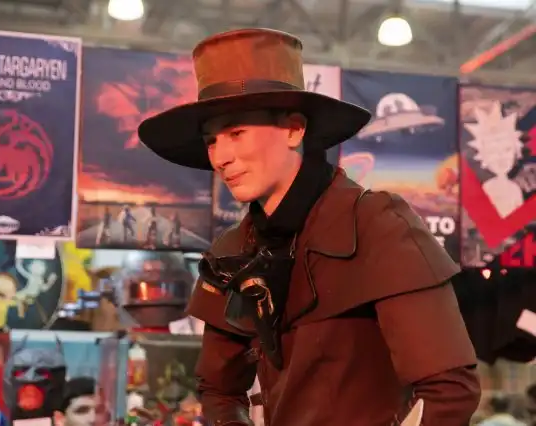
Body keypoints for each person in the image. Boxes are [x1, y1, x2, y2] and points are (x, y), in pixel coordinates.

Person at [137, 28, 481, 425]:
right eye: (212, 140)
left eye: (236, 133)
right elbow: (218, 390)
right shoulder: (231, 253)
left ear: (295, 129)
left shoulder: (377, 224)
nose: (220, 157)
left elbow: (450, 390)